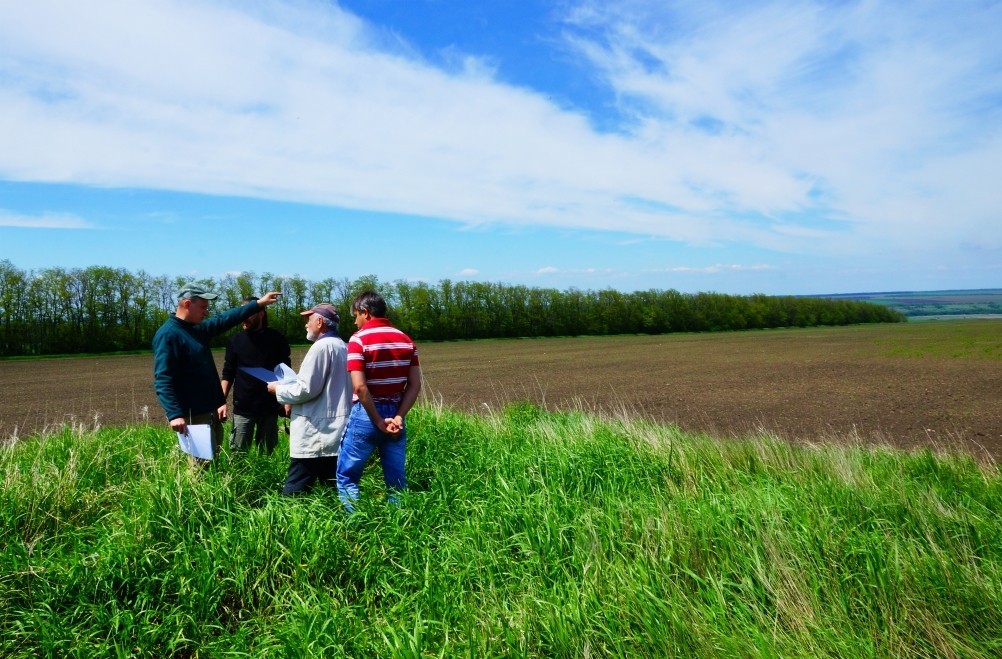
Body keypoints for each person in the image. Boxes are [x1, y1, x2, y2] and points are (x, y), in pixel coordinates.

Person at [152, 284, 282, 458]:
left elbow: (225, 319)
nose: (206, 312)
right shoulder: (169, 335)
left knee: (213, 462)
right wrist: (174, 414)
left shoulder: (197, 329)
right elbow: (163, 379)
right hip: (194, 415)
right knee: (201, 466)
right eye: (203, 307)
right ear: (188, 304)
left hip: (209, 412)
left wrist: (258, 304)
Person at [336, 291, 421, 511]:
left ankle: (355, 525)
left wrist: (377, 419)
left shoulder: (358, 340)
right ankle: (398, 526)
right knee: (396, 480)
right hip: (395, 412)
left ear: (366, 312)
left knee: (348, 476)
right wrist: (399, 416)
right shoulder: (406, 340)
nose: (355, 321)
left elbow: (360, 387)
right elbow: (414, 385)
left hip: (367, 413)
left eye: (356, 315)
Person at [267, 304, 352, 495]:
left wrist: (278, 389)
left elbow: (306, 389)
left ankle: (286, 522)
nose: (306, 325)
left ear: (320, 322)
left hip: (315, 431)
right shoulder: (343, 346)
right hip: (336, 431)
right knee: (332, 489)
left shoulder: (321, 347)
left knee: (294, 490)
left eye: (309, 319)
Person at [220, 296, 292, 455]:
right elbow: (228, 372)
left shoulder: (277, 339)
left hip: (270, 408)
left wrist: (287, 400)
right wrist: (220, 401)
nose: (243, 318)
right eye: (241, 314)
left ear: (261, 314)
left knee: (268, 454)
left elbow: (286, 372)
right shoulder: (235, 341)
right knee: (238, 455)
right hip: (243, 407)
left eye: (249, 313)